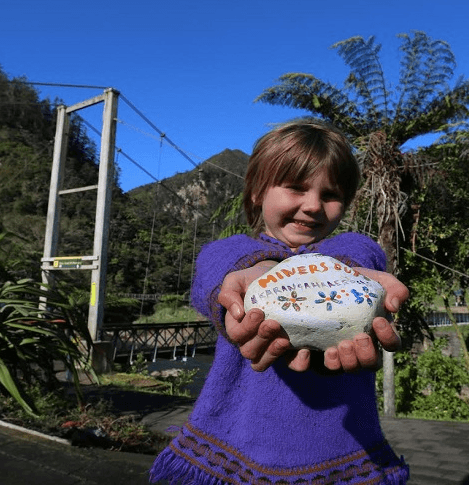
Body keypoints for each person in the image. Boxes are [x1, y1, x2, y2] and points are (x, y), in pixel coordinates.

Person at [150, 119, 410, 484]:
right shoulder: (237, 252)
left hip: (340, 453)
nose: (313, 206)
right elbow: (215, 267)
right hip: (233, 449)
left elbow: (359, 250)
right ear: (257, 192)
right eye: (295, 188)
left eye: (331, 194)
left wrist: (344, 273)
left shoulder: (348, 250)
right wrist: (257, 273)